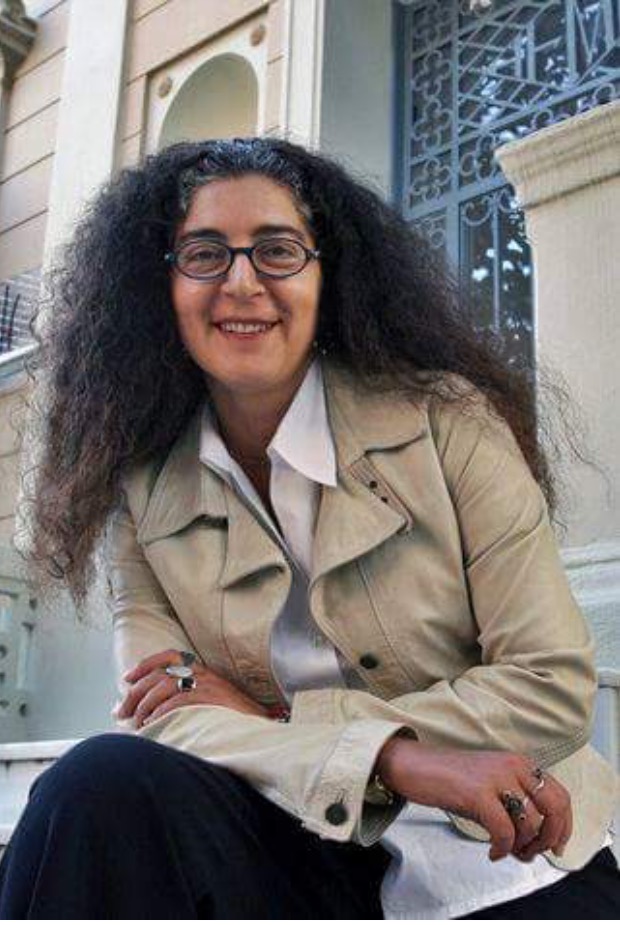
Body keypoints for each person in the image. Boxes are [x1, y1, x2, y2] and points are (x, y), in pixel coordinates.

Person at [0, 136, 618, 919]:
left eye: (278, 250)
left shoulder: (450, 422)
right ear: (160, 286)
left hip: (501, 851)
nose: (242, 282)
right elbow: (169, 715)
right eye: (204, 254)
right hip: (293, 840)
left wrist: (284, 720)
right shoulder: (143, 486)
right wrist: (392, 758)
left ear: (330, 274)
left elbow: (549, 683)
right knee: (92, 786)